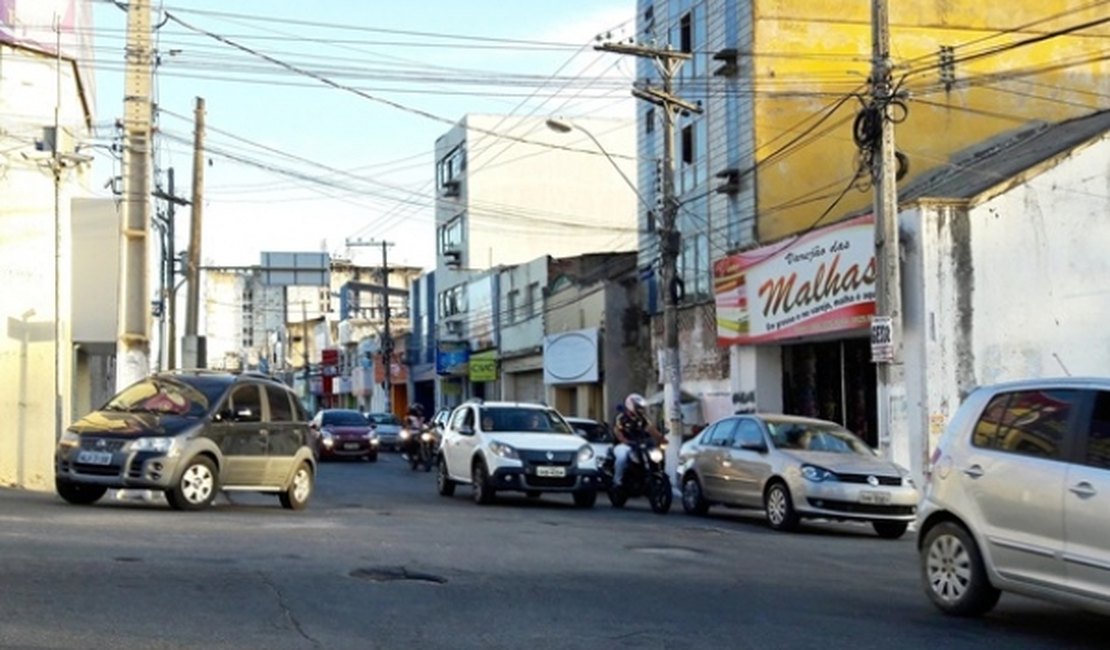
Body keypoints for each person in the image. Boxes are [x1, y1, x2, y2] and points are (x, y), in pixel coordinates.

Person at [612, 393, 663, 489]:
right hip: (624, 445)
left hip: (639, 445)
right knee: (622, 457)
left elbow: (651, 429)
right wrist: (625, 441)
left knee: (654, 455)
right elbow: (617, 431)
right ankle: (617, 480)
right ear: (631, 405)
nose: (641, 409)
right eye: (638, 407)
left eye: (641, 407)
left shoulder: (643, 419)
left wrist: (662, 438)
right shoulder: (621, 417)